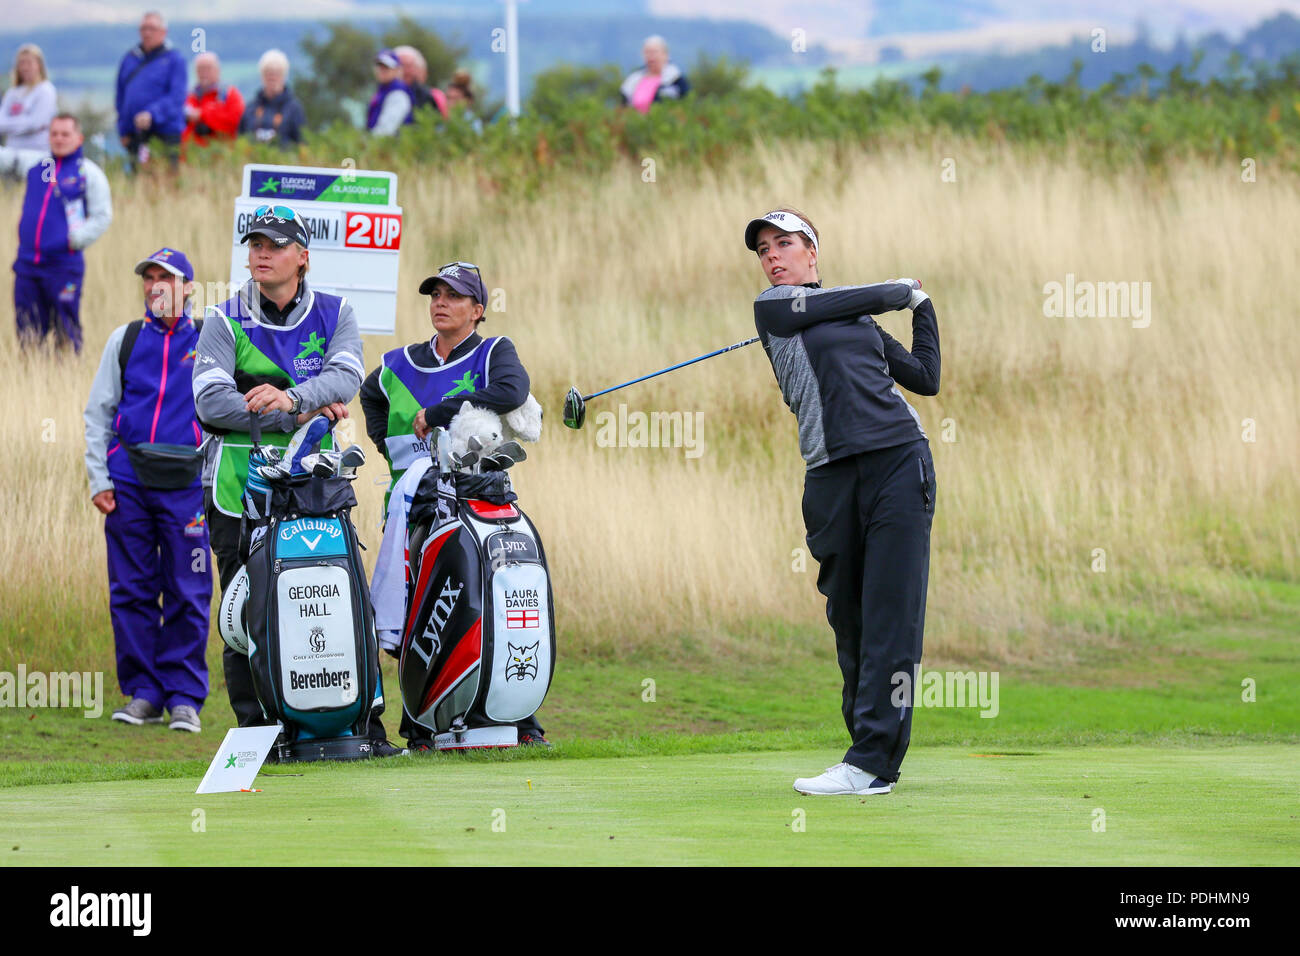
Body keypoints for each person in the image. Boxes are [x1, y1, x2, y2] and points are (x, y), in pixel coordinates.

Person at [191, 203, 401, 756]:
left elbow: (347, 375)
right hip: (240, 491)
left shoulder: (337, 311)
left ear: (302, 257)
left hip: (315, 485)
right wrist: (301, 413)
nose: (260, 252)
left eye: (274, 244)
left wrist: (289, 397)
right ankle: (259, 735)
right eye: (255, 243)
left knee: (344, 599)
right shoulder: (223, 317)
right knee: (245, 614)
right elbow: (211, 403)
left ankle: (360, 726)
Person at [745, 208, 940, 796]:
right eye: (763, 250)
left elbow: (925, 377)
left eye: (785, 244)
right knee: (849, 617)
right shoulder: (773, 308)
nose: (773, 257)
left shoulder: (858, 319)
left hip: (899, 462)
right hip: (830, 477)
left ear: (813, 253)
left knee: (890, 616)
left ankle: (873, 761)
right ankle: (865, 754)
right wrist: (899, 292)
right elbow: (851, 300)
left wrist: (924, 311)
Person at [358, 261, 549, 749]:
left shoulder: (493, 351)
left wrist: (439, 413)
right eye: (435, 293)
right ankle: (419, 725)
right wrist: (387, 445)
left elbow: (512, 391)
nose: (441, 302)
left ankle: (518, 718)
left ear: (478, 310)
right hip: (417, 501)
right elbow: (368, 394)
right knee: (419, 609)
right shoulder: (401, 361)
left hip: (482, 500)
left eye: (455, 295)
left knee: (497, 604)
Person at [83, 247, 211, 732]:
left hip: (188, 489)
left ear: (188, 288)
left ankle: (184, 698)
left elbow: (226, 416)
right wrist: (99, 479)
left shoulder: (209, 342)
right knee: (132, 590)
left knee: (189, 589)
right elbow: (98, 414)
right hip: (128, 485)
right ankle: (144, 693)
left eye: (167, 278)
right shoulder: (126, 338)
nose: (156, 285)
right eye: (149, 277)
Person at [12, 113, 113, 353]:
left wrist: (74, 239)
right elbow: (8, 157)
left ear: (79, 137)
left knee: (65, 326)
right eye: (54, 134)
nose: (59, 139)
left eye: (65, 134)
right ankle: (31, 379)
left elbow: (103, 216)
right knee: (27, 329)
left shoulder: (88, 173)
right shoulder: (38, 166)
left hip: (63, 265)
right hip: (27, 264)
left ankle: (66, 379)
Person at [114, 11, 186, 170]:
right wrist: (123, 129)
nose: (147, 33)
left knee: (164, 179)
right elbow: (121, 96)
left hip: (165, 134)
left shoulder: (174, 59)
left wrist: (152, 114)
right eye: (143, 29)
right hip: (135, 135)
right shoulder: (130, 58)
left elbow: (177, 97)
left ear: (163, 32)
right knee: (138, 180)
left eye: (152, 28)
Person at [0, 44, 58, 166]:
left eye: (29, 63)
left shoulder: (46, 90)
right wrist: (23, 123)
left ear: (39, 65)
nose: (25, 68)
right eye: (21, 63)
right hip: (12, 151)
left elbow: (35, 123)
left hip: (37, 153)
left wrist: (10, 125)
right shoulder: (12, 92)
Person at [239, 49, 306, 148]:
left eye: (277, 73)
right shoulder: (251, 108)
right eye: (268, 73)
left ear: (284, 75)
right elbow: (241, 138)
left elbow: (302, 142)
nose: (272, 77)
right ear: (262, 76)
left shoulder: (294, 109)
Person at [182, 52, 245, 150]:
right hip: (190, 156)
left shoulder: (229, 94)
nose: (203, 73)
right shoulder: (189, 96)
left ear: (218, 70)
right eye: (200, 69)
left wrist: (202, 115)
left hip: (219, 156)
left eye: (208, 68)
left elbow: (235, 121)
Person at [620, 35, 690, 114]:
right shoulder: (632, 80)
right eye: (647, 52)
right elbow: (623, 106)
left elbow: (687, 104)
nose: (651, 56)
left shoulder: (677, 80)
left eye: (654, 52)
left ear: (665, 55)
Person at [367, 49, 412, 137]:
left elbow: (385, 131)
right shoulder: (383, 90)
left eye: (386, 68)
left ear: (397, 70)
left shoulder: (398, 94)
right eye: (380, 66)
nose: (382, 70)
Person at [394, 45, 446, 118]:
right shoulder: (382, 94)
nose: (404, 71)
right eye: (400, 66)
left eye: (408, 66)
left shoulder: (426, 97)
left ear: (417, 69)